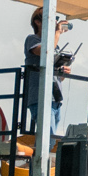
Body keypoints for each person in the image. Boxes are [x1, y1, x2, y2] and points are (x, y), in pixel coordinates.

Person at [22, 7, 74, 136]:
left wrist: (63, 72)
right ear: (38, 22)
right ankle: (39, 157)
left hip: (54, 99)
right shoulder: (32, 39)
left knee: (51, 140)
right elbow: (46, 52)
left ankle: (40, 156)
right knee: (46, 139)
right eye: (50, 20)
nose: (55, 24)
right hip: (40, 97)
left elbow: (58, 77)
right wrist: (57, 33)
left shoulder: (55, 46)